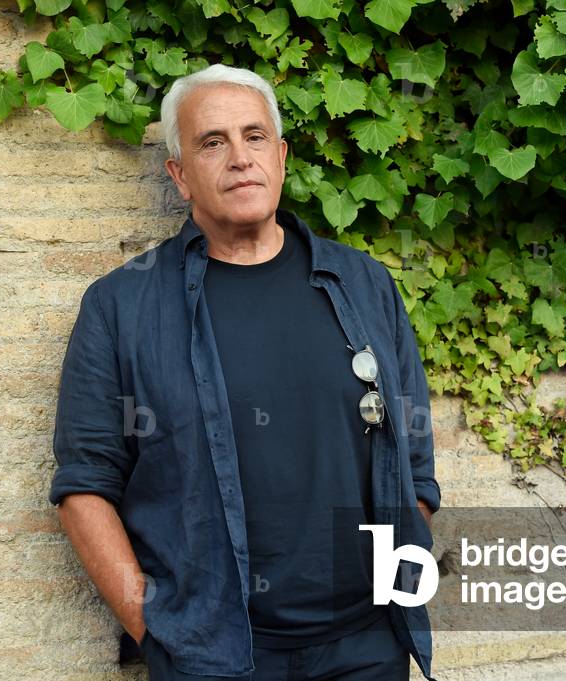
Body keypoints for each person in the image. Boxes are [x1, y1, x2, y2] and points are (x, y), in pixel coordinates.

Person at [48, 63, 441, 681]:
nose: (239, 158)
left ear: (280, 156)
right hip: (215, 657)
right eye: (213, 142)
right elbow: (85, 486)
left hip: (368, 648)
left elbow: (412, 454)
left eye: (254, 136)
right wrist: (158, 632)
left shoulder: (364, 285)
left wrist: (398, 575)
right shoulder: (122, 306)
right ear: (179, 175)